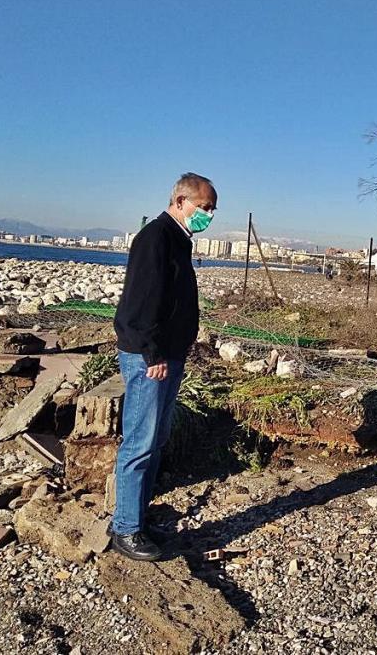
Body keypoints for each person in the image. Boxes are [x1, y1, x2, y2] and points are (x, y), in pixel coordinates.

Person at [109, 172, 217, 560]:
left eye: (212, 209)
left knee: (155, 440)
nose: (209, 215)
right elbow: (139, 303)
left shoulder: (177, 239)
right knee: (140, 442)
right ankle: (126, 529)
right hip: (150, 358)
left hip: (169, 355)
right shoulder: (155, 237)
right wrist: (151, 353)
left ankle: (134, 517)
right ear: (180, 201)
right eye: (204, 207)